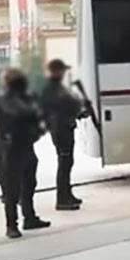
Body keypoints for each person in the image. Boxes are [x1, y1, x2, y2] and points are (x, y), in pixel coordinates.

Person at [0, 69, 51, 238]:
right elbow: (20, 112)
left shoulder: (22, 97)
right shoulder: (7, 99)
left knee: (28, 183)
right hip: (10, 148)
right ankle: (12, 225)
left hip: (22, 145)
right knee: (12, 189)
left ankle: (29, 217)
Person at [37, 59, 84, 211]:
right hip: (60, 128)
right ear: (56, 71)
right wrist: (75, 108)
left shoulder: (57, 87)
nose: (64, 73)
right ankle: (62, 198)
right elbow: (59, 107)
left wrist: (79, 112)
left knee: (67, 162)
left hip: (64, 126)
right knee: (64, 162)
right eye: (62, 70)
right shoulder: (50, 89)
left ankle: (67, 193)